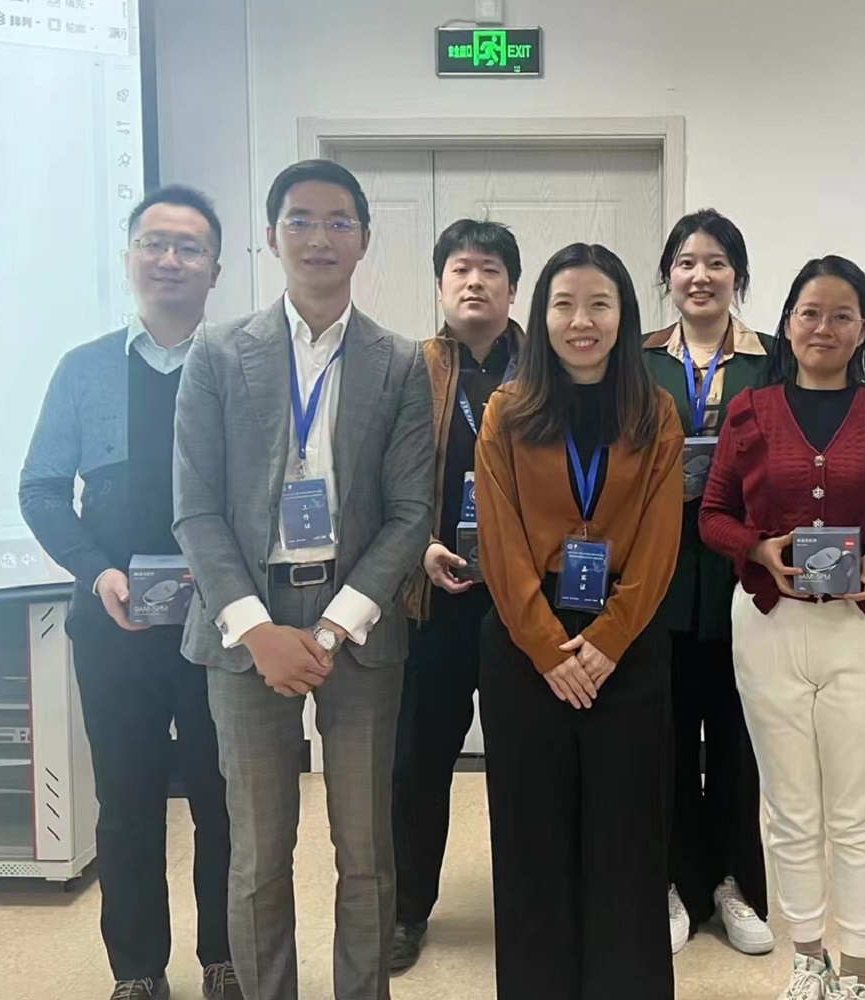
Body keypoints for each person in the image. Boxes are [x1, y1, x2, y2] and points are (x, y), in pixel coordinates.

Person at [172, 159, 434, 1000]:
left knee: (366, 850)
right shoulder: (217, 353)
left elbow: (411, 513)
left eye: (338, 222)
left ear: (364, 239)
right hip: (246, 623)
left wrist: (328, 628)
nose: (319, 238)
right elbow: (194, 510)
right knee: (257, 851)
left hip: (357, 621)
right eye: (300, 220)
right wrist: (257, 630)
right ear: (270, 236)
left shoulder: (399, 362)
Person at [20, 186, 239, 1000]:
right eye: (155, 243)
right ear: (129, 258)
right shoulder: (83, 369)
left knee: (225, 799)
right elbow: (42, 489)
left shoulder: (239, 363)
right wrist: (98, 571)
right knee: (126, 800)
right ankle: (138, 969)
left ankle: (226, 956)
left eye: (189, 247)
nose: (170, 259)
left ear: (215, 268)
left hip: (223, 625)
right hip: (114, 626)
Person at [699, 256, 865, 1000]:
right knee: (790, 805)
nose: (823, 327)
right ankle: (808, 960)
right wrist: (756, 549)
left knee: (859, 809)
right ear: (788, 322)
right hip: (771, 626)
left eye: (841, 315)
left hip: (860, 630)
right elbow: (713, 515)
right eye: (809, 312)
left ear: (864, 328)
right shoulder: (749, 412)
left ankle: (855, 972)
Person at [475, 243, 684, 999]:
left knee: (627, 844)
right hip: (526, 647)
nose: (581, 321)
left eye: (599, 303)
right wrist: (547, 648)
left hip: (625, 646)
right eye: (564, 304)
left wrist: (607, 641)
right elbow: (499, 541)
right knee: (532, 841)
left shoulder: (654, 413)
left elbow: (659, 544)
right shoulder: (507, 411)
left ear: (623, 315)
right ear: (542, 315)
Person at [391, 219, 525, 972]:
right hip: (433, 598)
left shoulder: (544, 367)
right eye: (460, 270)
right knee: (417, 762)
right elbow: (380, 479)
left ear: (513, 286)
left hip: (522, 601)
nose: (475, 282)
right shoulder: (410, 367)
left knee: (526, 761)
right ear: (441, 285)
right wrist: (419, 548)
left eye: (490, 270)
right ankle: (406, 909)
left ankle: (532, 907)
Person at [642, 209, 772, 957]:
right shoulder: (637, 358)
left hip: (741, 579)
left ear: (738, 276)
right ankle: (667, 882)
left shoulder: (772, 359)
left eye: (716, 263)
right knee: (661, 743)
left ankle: (731, 884)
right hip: (654, 582)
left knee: (734, 742)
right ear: (669, 275)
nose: (700, 276)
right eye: (686, 262)